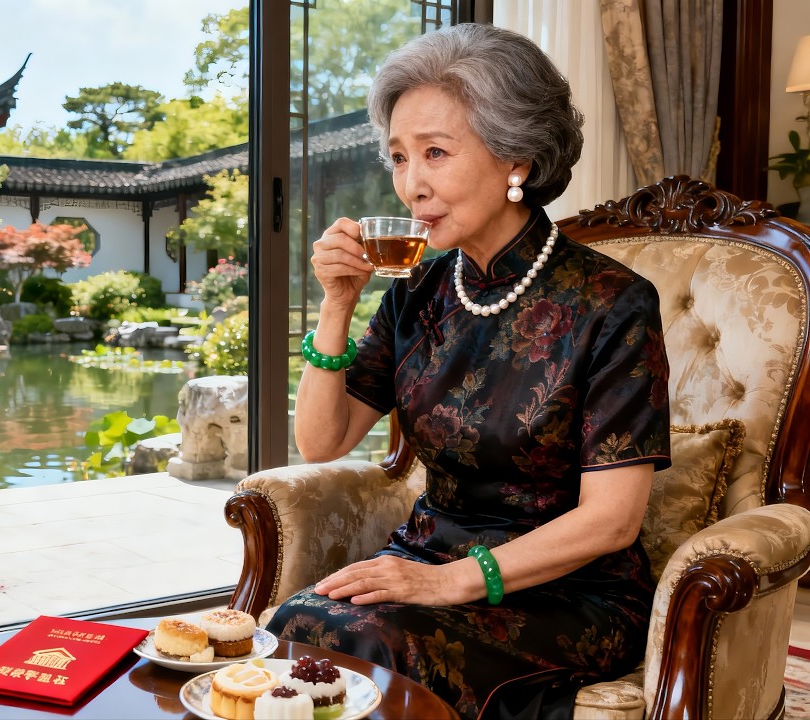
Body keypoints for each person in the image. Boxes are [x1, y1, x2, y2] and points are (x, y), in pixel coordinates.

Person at [266, 24, 670, 718]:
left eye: (435, 152)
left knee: (372, 641)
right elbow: (321, 442)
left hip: (569, 591)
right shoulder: (417, 292)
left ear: (517, 159)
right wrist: (337, 305)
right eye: (398, 157)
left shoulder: (612, 302)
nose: (411, 185)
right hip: (426, 559)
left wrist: (450, 583)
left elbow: (611, 522)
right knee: (300, 623)